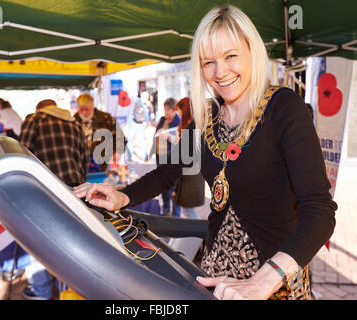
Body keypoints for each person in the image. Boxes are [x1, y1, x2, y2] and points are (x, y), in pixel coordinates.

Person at [74, 5, 336, 300]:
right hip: (215, 275)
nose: (220, 72)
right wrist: (122, 196)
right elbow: (167, 172)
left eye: (230, 56)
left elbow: (320, 212)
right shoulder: (206, 115)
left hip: (275, 282)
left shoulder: (283, 109)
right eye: (208, 61)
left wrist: (263, 282)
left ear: (252, 51)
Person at [19, 99, 90, 300]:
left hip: (46, 191)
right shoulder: (74, 123)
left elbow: (22, 153)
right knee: (70, 241)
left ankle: (41, 291)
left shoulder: (34, 119)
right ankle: (71, 291)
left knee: (40, 240)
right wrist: (77, 185)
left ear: (39, 108)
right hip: (74, 190)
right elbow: (84, 157)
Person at [74, 93, 126, 172]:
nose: (84, 113)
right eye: (81, 109)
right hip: (81, 165)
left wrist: (117, 152)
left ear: (92, 107)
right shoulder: (73, 121)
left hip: (104, 164)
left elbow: (121, 138)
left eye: (87, 109)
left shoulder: (106, 119)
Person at [172, 97, 205, 220]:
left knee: (188, 212)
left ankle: (200, 235)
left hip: (189, 175)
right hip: (191, 174)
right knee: (187, 211)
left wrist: (176, 143)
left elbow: (185, 154)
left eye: (179, 110)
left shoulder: (190, 128)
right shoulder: (194, 126)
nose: (178, 113)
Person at [149, 97, 181, 217]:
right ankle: (166, 208)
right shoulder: (162, 120)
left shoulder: (179, 122)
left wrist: (169, 137)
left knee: (174, 186)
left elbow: (182, 142)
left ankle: (176, 214)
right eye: (165, 110)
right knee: (163, 184)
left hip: (173, 158)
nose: (166, 113)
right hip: (160, 156)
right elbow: (157, 133)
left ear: (175, 110)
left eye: (169, 110)